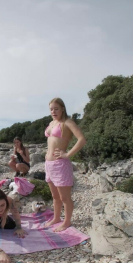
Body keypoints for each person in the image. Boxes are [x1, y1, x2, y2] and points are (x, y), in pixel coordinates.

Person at [42, 97, 87, 232]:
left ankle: (67, 222)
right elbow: (51, 141)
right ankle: (56, 218)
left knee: (65, 197)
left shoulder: (67, 122)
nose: (53, 111)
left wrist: (67, 154)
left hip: (60, 164)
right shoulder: (51, 123)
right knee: (55, 196)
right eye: (51, 109)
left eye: (56, 108)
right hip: (48, 164)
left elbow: (82, 139)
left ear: (62, 108)